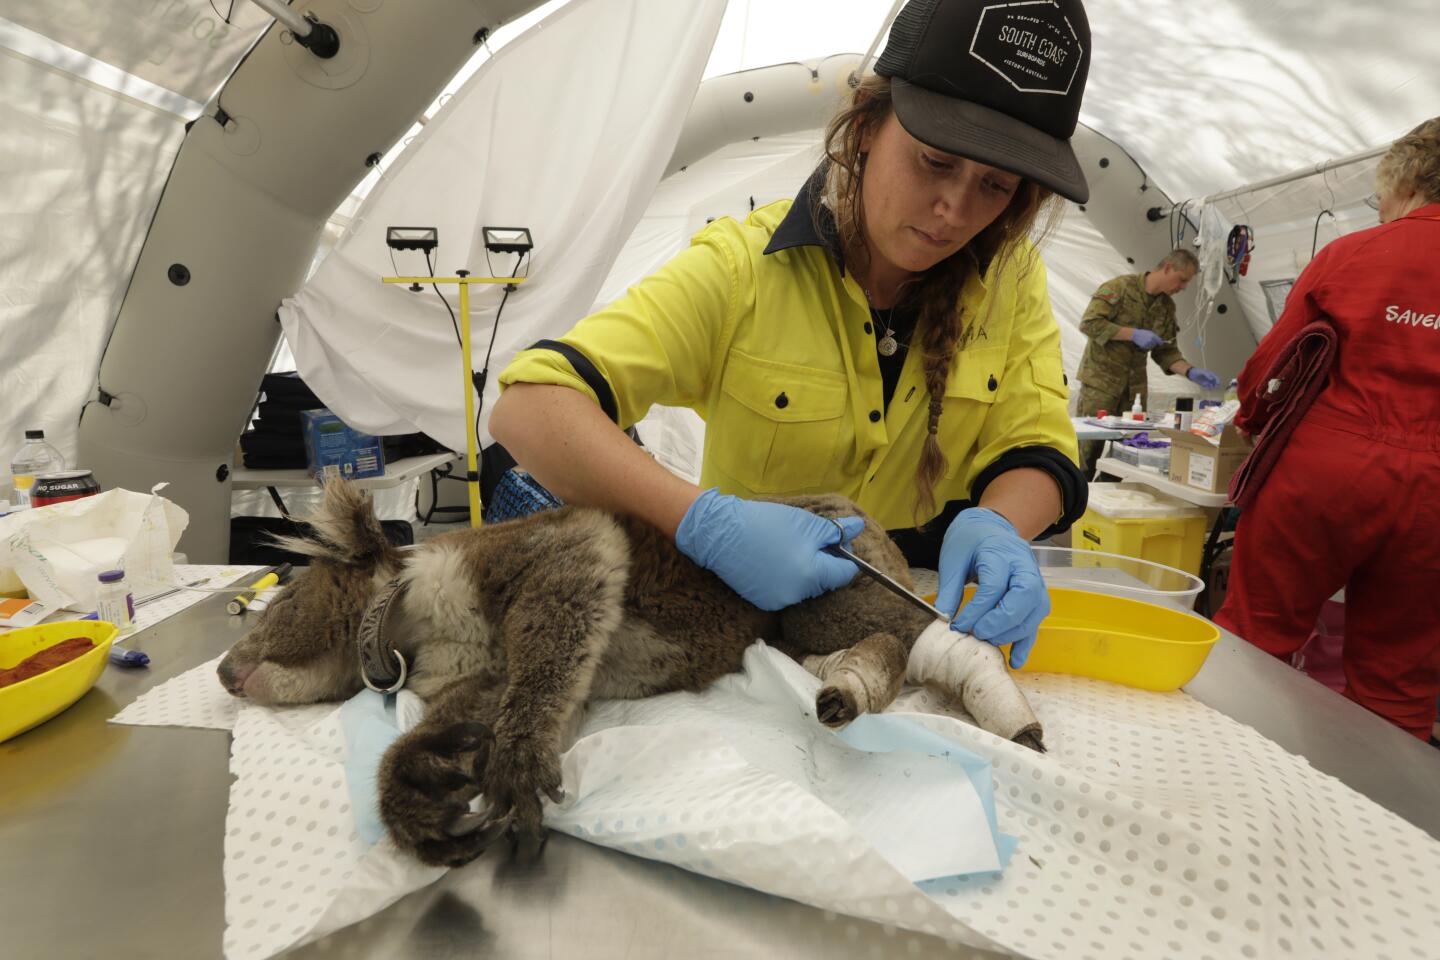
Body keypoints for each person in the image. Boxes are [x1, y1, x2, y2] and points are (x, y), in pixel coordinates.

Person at [491, 0, 1094, 668]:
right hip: (747, 626)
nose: (955, 211)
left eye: (995, 185)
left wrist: (1000, 525)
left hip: (928, 622)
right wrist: (702, 523)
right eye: (935, 162)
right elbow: (531, 405)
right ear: (866, 125)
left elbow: (1035, 441)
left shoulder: (1012, 279)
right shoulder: (742, 269)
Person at [1214, 117, 1440, 741]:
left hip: (1325, 472)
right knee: (1400, 684)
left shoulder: (1355, 252)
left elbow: (1268, 374)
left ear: (1410, 181)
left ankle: (1222, 785)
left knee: (1255, 640)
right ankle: (1377, 826)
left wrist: (1252, 423)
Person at [1074, 249, 1221, 477]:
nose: (1183, 287)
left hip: (1134, 395)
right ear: (1168, 268)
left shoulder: (1166, 307)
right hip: (1100, 385)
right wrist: (1131, 333)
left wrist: (1190, 372)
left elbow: (1166, 352)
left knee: (1125, 455)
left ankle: (1107, 499)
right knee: (1086, 453)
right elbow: (1089, 324)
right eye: (1182, 279)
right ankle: (1075, 504)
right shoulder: (1119, 288)